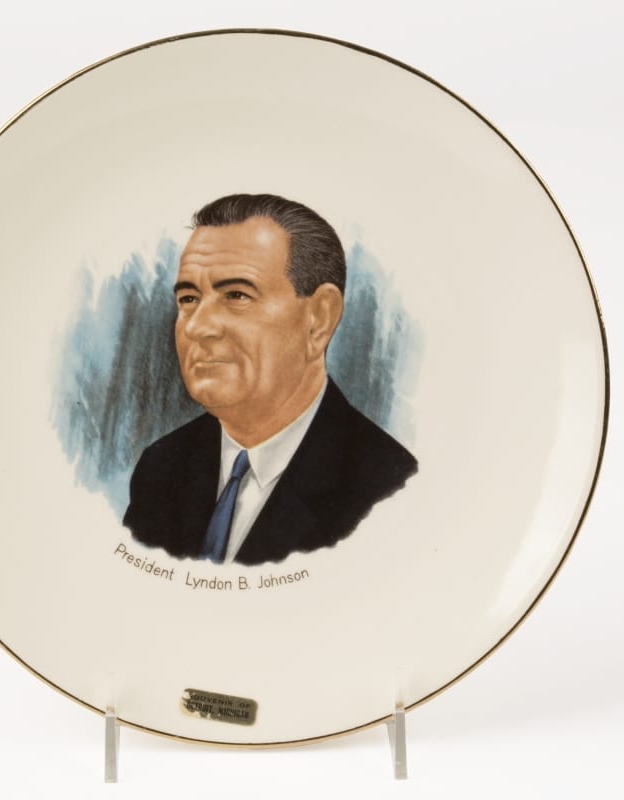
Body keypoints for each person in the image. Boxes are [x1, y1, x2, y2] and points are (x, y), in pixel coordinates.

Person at [123, 194, 417, 565]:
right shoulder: (162, 466)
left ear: (319, 320)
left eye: (236, 295)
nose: (197, 327)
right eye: (189, 298)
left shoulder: (388, 487)